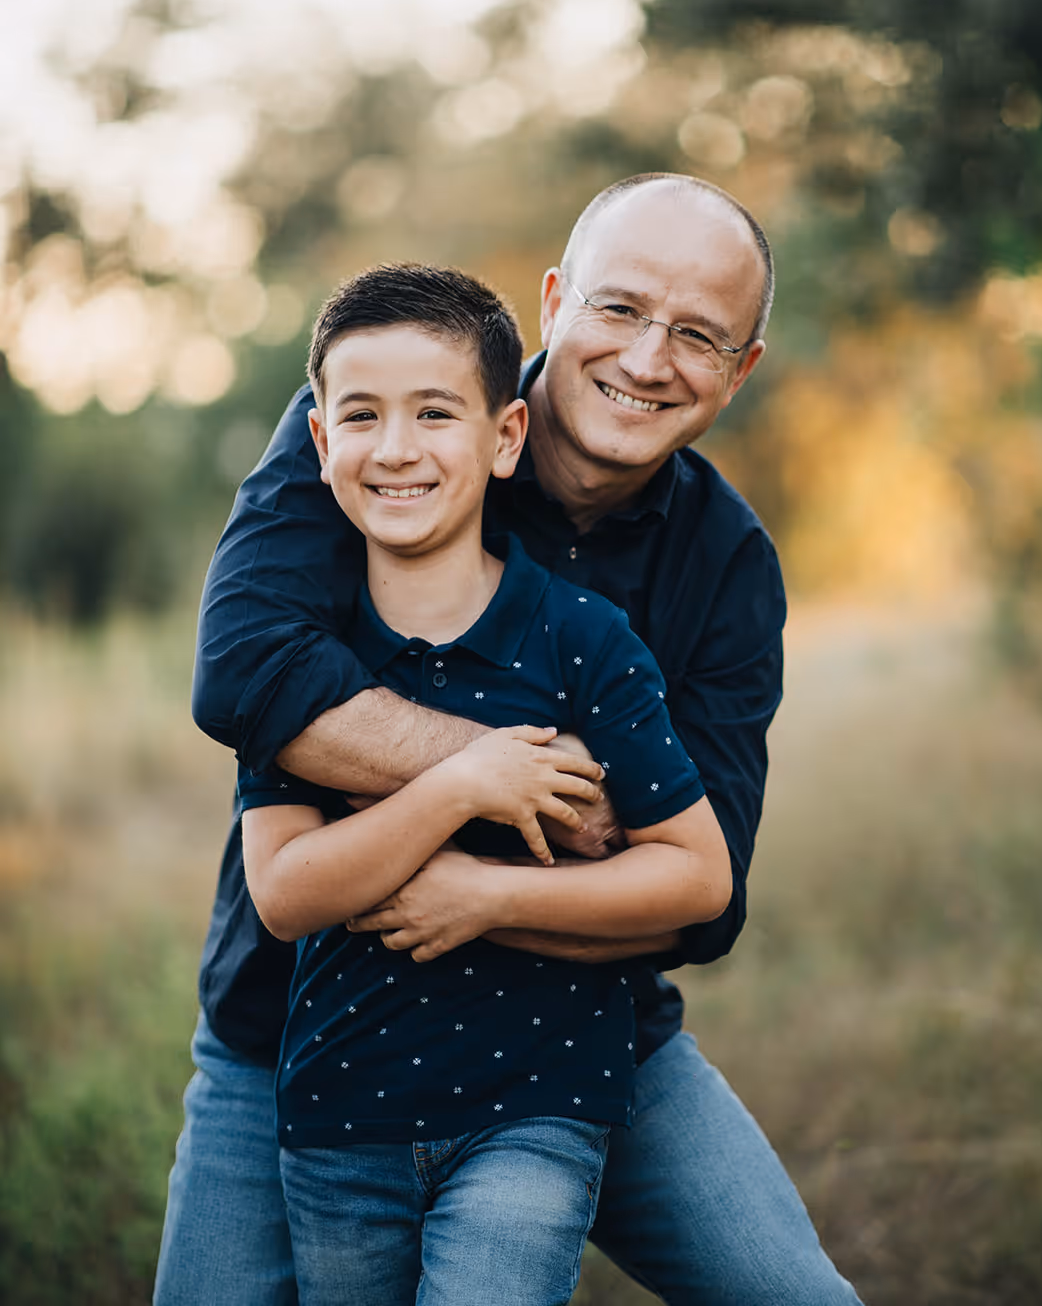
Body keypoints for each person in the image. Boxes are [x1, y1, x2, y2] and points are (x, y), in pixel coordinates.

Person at [155, 172, 862, 1305]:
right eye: (620, 308)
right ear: (554, 300)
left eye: (697, 336)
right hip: (298, 1036)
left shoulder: (727, 566)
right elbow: (247, 675)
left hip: (575, 1049)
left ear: (741, 371)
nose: (644, 358)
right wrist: (523, 790)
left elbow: (702, 897)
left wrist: (479, 898)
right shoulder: (388, 427)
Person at [240, 261, 732, 1305]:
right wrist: (461, 781)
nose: (399, 448)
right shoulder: (301, 649)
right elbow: (283, 895)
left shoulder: (585, 640)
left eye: (434, 413)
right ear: (320, 443)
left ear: (505, 437)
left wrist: (486, 892)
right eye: (363, 416)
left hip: (538, 1102)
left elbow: (699, 880)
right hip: (340, 1119)